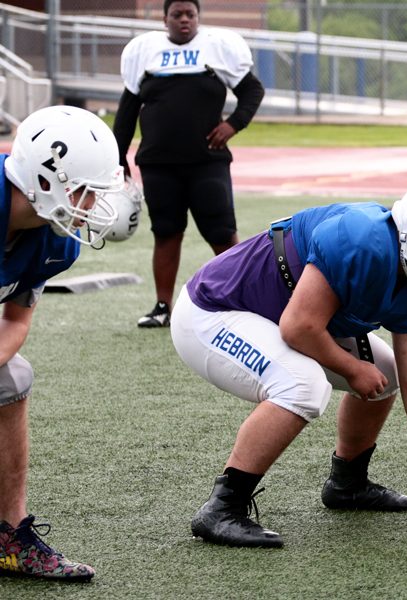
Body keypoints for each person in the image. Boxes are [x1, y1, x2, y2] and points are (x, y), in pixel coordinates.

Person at [170, 174, 407, 547]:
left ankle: (347, 484)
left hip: (280, 316)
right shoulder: (363, 239)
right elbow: (297, 327)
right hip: (213, 311)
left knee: (386, 373)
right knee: (303, 384)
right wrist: (352, 368)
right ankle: (223, 507)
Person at [0, 105, 124, 580]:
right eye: (88, 191)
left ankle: (9, 536)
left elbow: (15, 321)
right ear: (49, 180)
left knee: (12, 375)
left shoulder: (54, 243)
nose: (93, 207)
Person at [113, 0, 264, 329]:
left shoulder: (216, 49)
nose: (184, 21)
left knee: (222, 233)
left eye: (190, 15)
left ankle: (245, 302)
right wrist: (118, 154)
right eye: (177, 15)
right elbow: (126, 111)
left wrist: (233, 124)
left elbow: (252, 90)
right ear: (164, 19)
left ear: (198, 17)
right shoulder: (145, 53)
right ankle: (162, 306)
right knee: (166, 233)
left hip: (206, 162)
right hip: (159, 163)